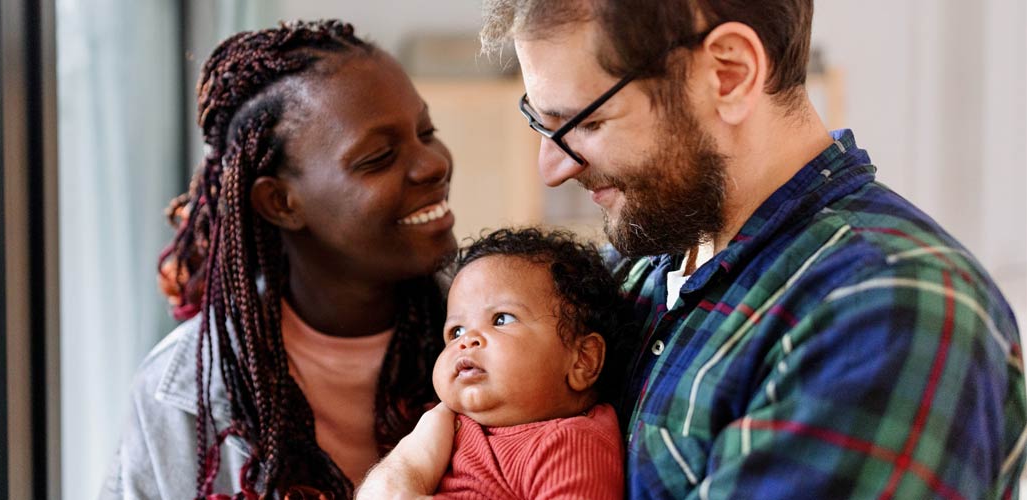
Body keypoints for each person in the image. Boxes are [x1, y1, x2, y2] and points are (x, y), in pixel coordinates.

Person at [359, 1, 1026, 499]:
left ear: (729, 74)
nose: (552, 168)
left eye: (586, 122)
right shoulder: (644, 264)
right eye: (543, 123)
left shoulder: (886, 309)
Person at [100, 20, 459, 499]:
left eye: (426, 131)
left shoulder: (511, 333)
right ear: (281, 203)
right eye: (378, 158)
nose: (433, 163)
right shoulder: (181, 394)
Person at [430, 227, 626, 499]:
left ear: (582, 360)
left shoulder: (567, 445)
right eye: (456, 332)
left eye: (501, 319)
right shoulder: (442, 423)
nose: (467, 341)